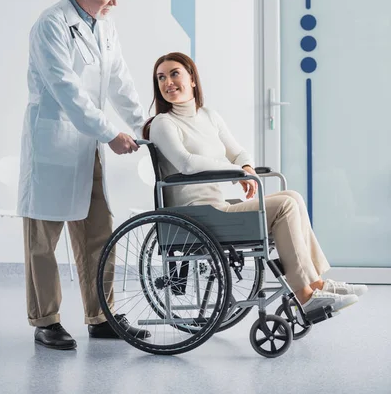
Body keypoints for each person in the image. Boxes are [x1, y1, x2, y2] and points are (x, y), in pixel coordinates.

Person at [144, 52, 368, 316]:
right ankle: (305, 295)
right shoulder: (162, 123)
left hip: (216, 208)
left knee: (292, 196)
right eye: (161, 78)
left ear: (192, 79)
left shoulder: (209, 116)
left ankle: (315, 283)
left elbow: (238, 152)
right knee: (285, 204)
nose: (168, 82)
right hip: (194, 214)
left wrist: (246, 167)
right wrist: (236, 171)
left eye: (174, 74)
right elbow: (187, 164)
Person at [17, 0, 151, 350]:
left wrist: (145, 124)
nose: (115, 3)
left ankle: (101, 315)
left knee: (98, 232)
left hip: (86, 146)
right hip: (53, 145)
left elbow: (119, 80)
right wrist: (111, 132)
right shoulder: (51, 25)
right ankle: (46, 320)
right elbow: (67, 91)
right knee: (43, 240)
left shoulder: (103, 26)